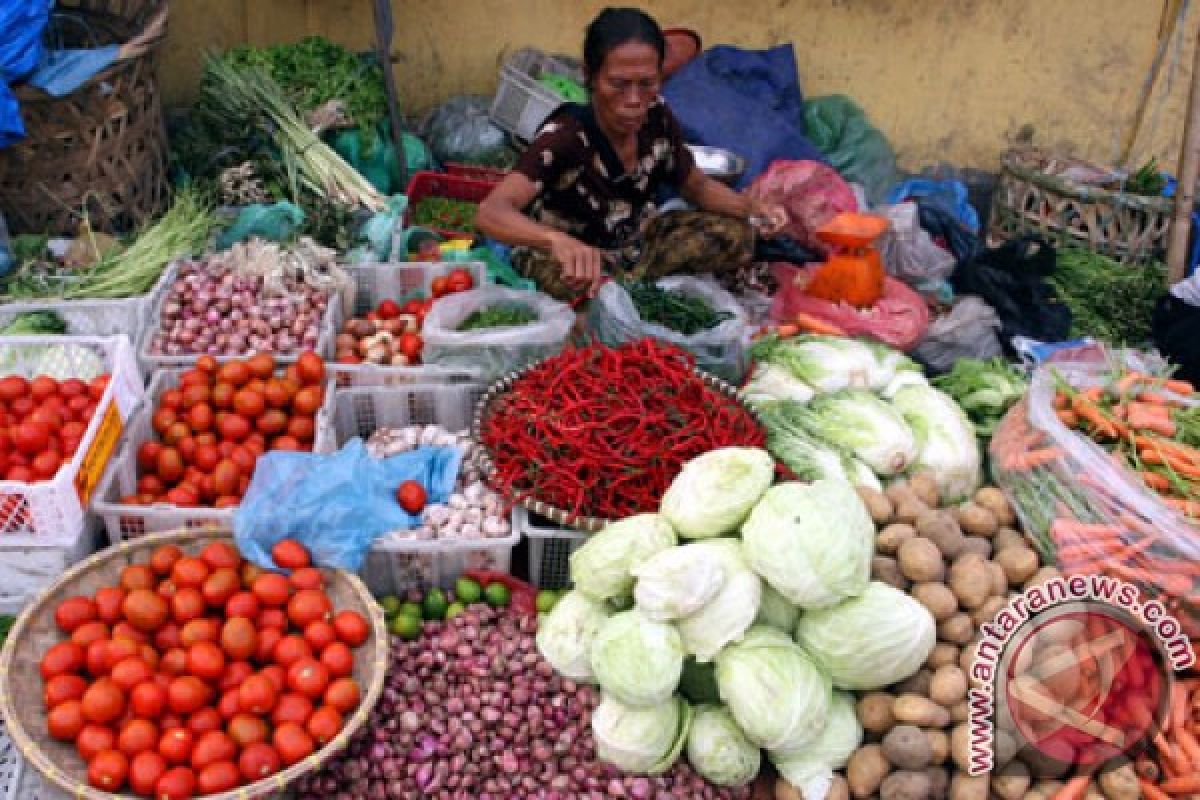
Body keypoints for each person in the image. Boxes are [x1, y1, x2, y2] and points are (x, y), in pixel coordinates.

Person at [476, 6, 787, 303]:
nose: (635, 100)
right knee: (585, 288)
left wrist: (750, 207)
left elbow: (699, 187)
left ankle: (635, 292)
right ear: (592, 77)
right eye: (618, 84)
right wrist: (554, 241)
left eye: (647, 83)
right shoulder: (564, 136)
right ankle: (627, 297)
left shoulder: (658, 118)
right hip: (574, 259)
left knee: (737, 236)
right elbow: (491, 210)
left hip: (634, 248)